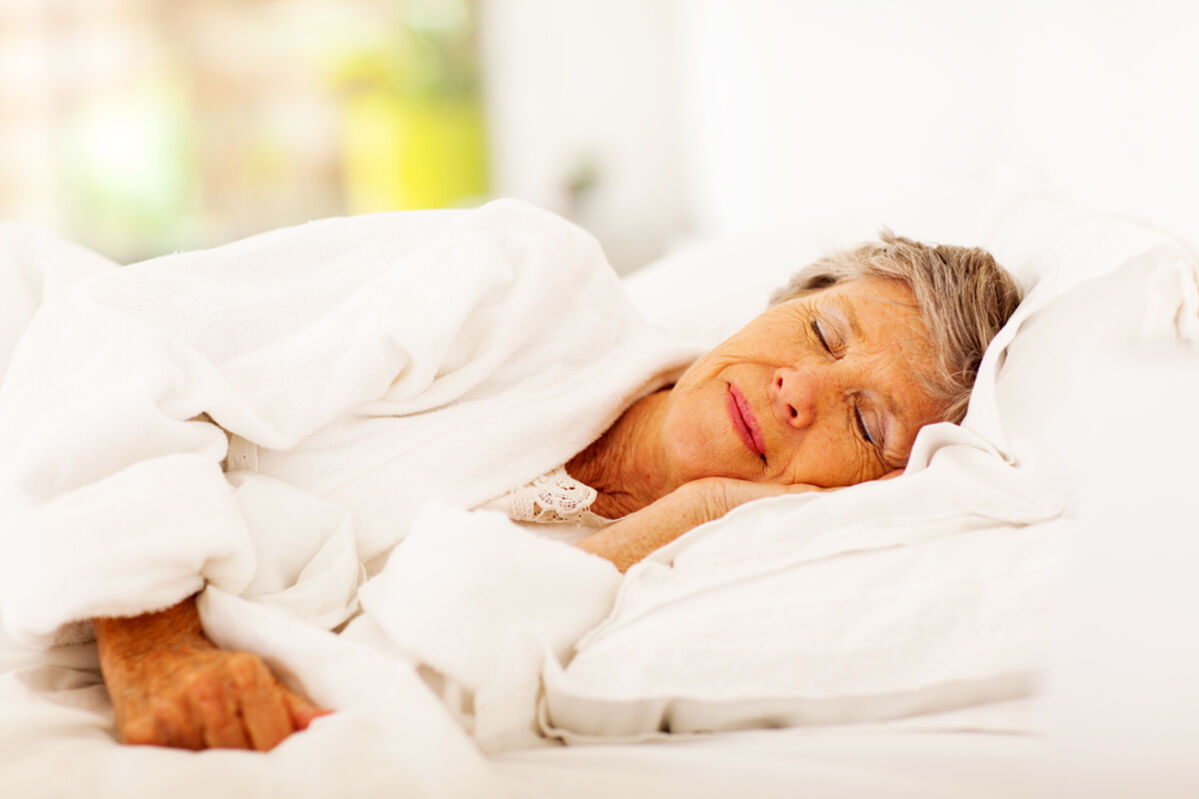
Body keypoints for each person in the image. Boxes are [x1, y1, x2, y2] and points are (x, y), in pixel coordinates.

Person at [0, 203, 1021, 753]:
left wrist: (683, 516)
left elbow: (405, 683)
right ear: (766, 305)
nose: (802, 386)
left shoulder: (691, 577)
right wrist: (152, 633)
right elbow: (121, 338)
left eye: (863, 417)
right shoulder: (527, 284)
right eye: (820, 330)